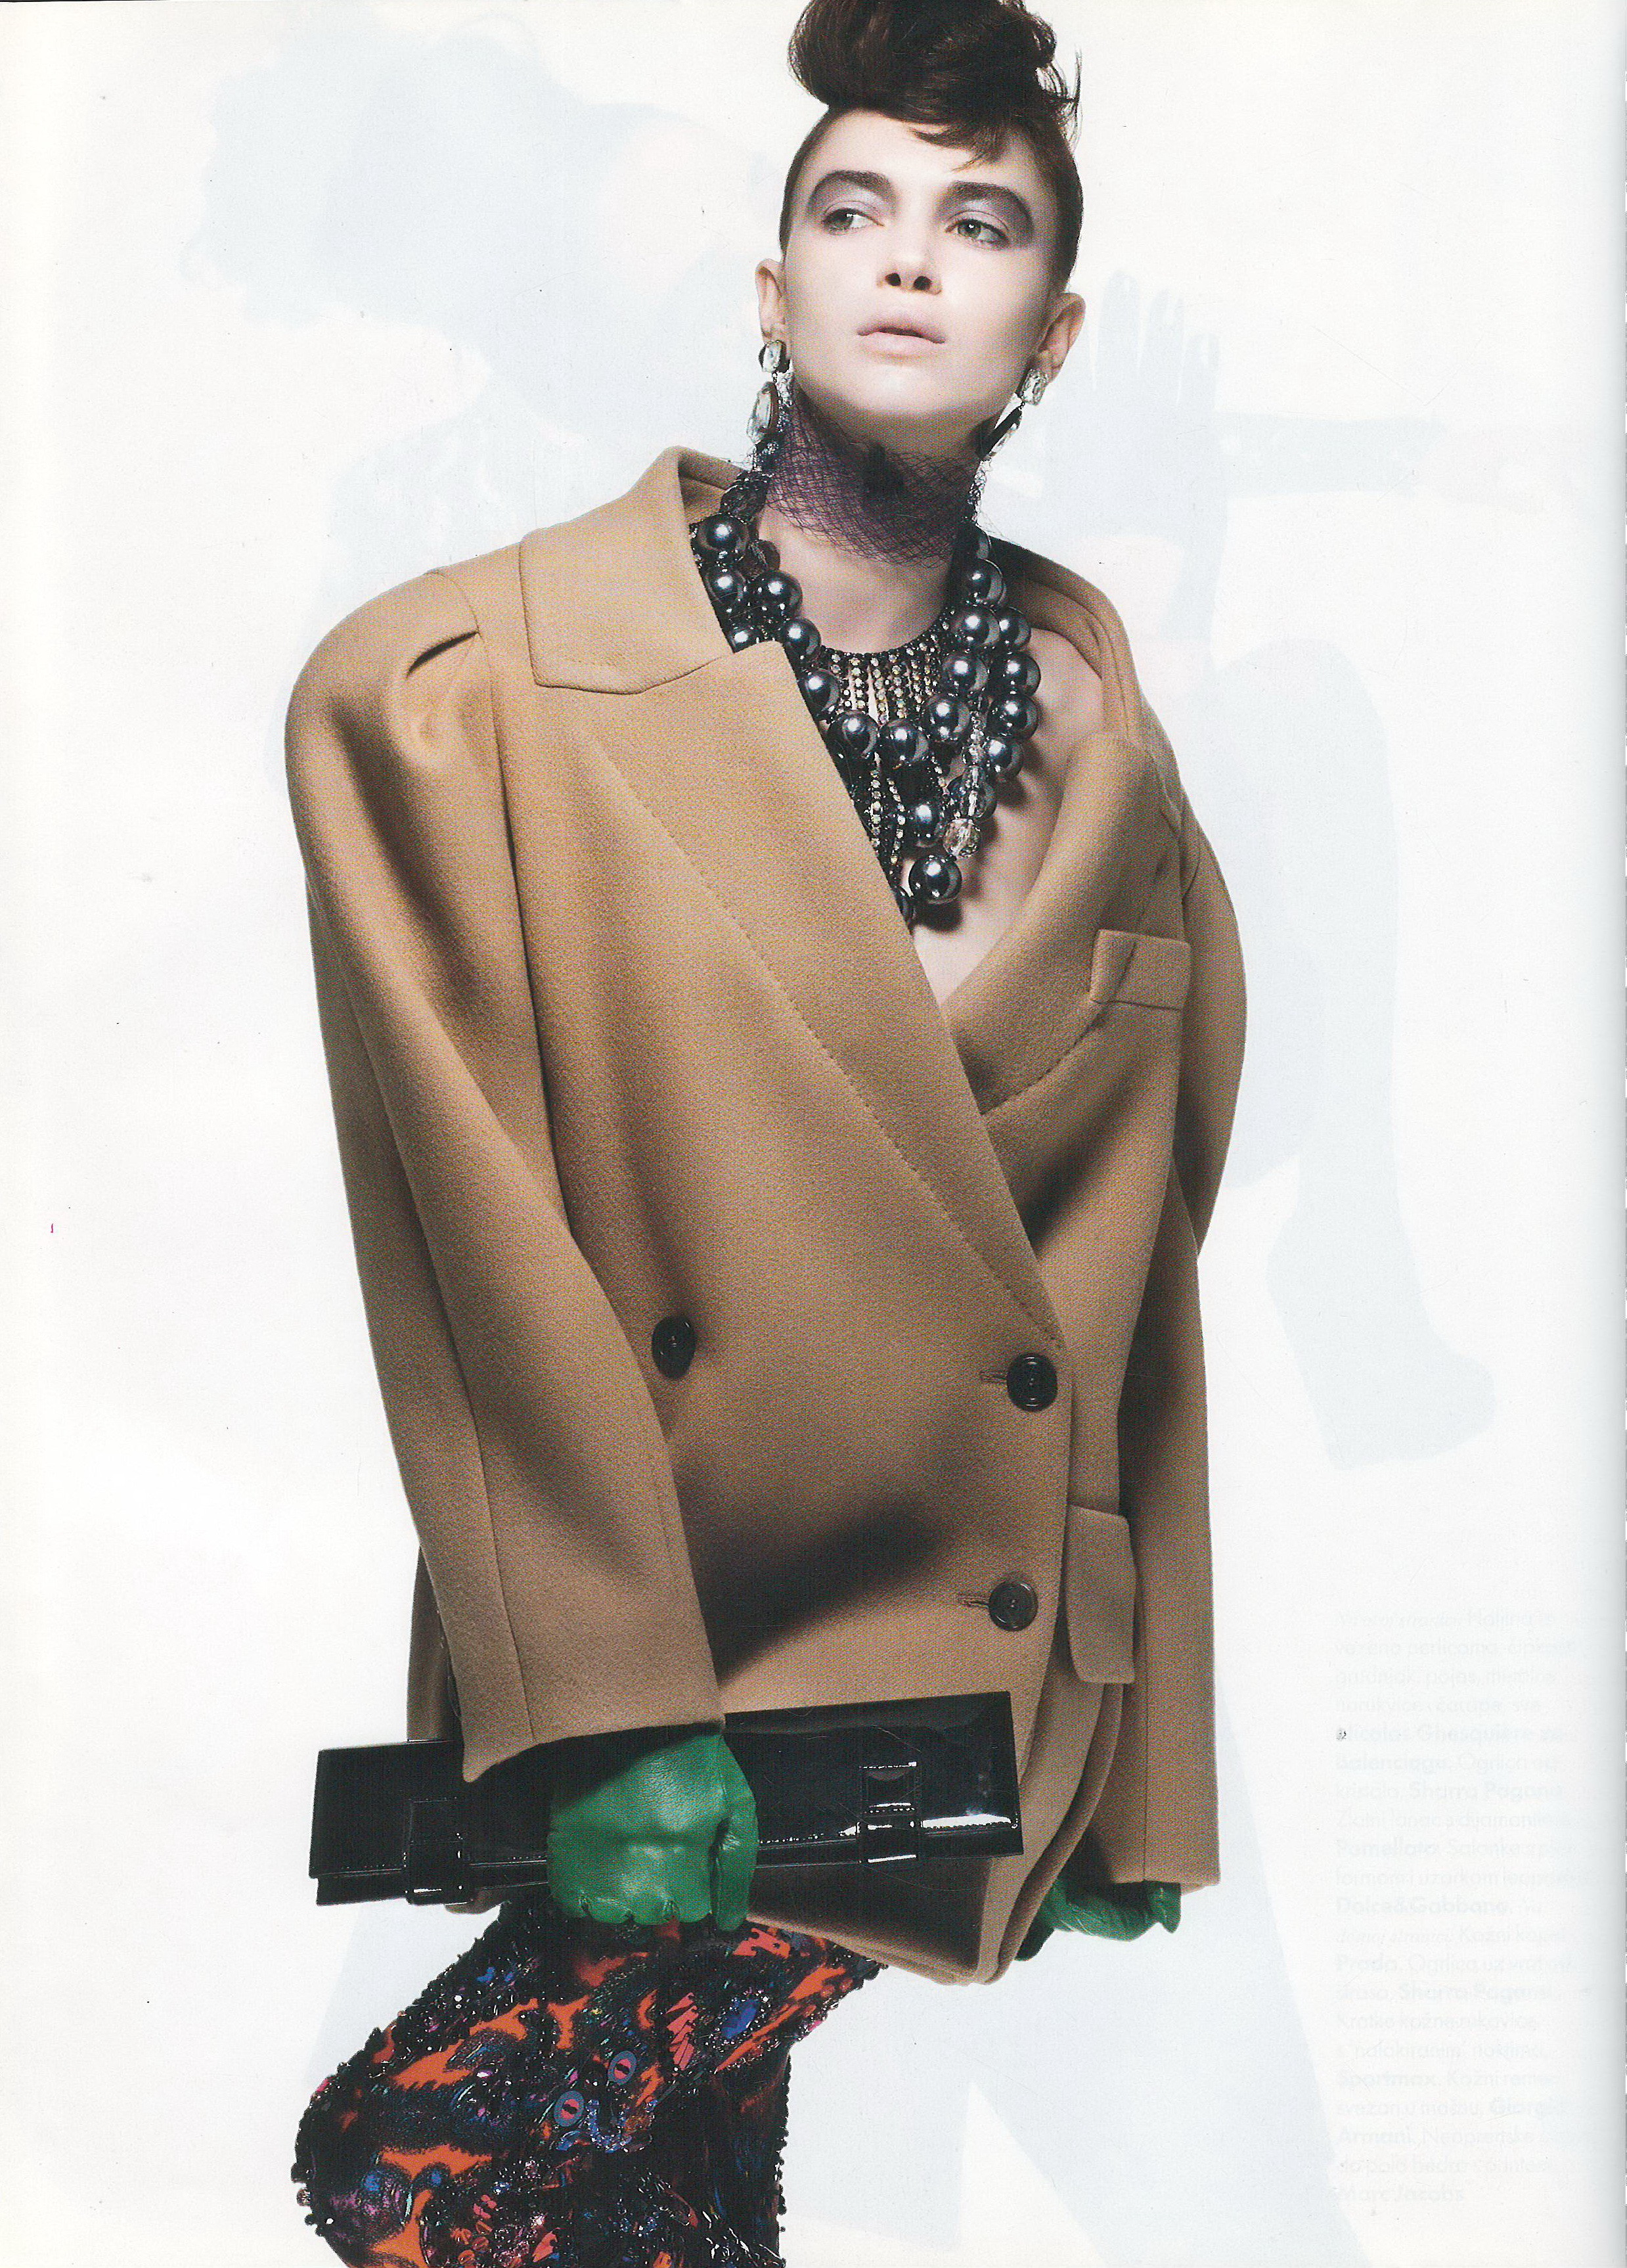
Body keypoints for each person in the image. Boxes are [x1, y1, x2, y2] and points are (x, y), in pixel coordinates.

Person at [283, 0, 1246, 2259]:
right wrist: (610, 1703)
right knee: (469, 2160)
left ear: (1053, 332)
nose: (908, 257)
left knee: (584, 2172)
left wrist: (1148, 1773)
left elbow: (1140, 1295)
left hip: (973, 1676)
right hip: (667, 1650)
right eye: (854, 209)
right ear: (771, 284)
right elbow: (469, 1245)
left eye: (978, 222)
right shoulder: (463, 699)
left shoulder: (1116, 762)